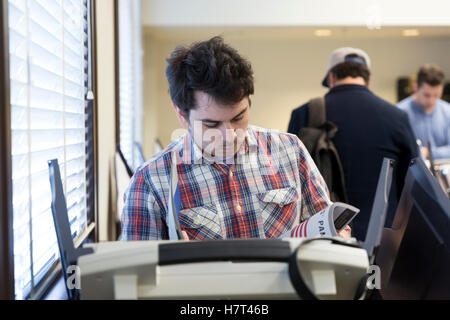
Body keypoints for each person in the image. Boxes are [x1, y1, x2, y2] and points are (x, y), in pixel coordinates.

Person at [120, 36, 350, 241]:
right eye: (211, 124)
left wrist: (339, 236)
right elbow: (137, 278)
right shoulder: (151, 180)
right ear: (182, 114)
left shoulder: (289, 150)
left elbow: (328, 228)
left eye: (239, 117)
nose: (230, 135)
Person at [287, 47, 418, 241]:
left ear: (331, 77)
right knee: (377, 273)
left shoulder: (304, 114)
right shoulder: (397, 117)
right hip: (382, 236)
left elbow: (291, 178)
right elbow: (411, 180)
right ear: (368, 80)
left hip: (325, 234)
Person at [397, 64, 450, 160]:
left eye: (436, 95)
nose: (431, 101)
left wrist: (428, 152)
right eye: (427, 95)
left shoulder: (448, 111)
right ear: (416, 87)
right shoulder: (399, 112)